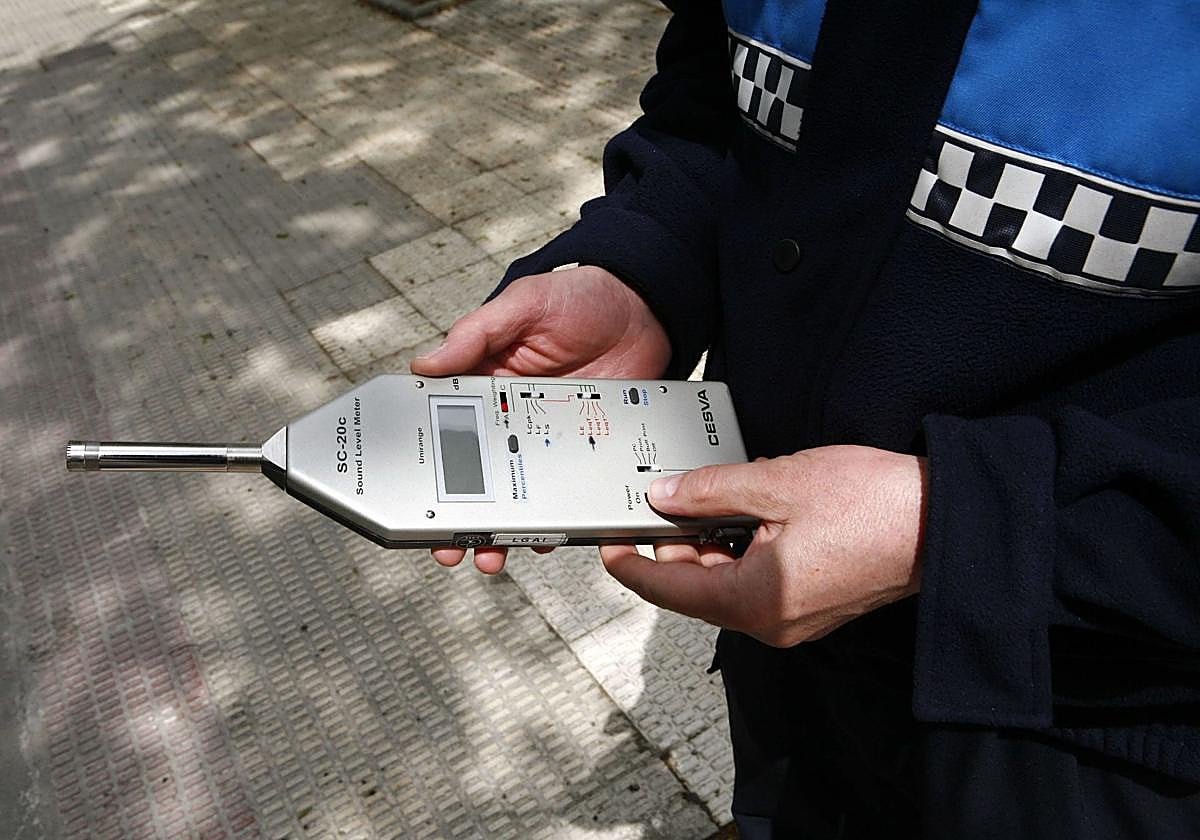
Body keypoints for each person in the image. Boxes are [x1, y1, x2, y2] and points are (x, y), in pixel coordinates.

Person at [412, 0, 1200, 836]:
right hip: (785, 655)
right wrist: (644, 265)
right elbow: (718, 88)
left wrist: (958, 524)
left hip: (1097, 725)